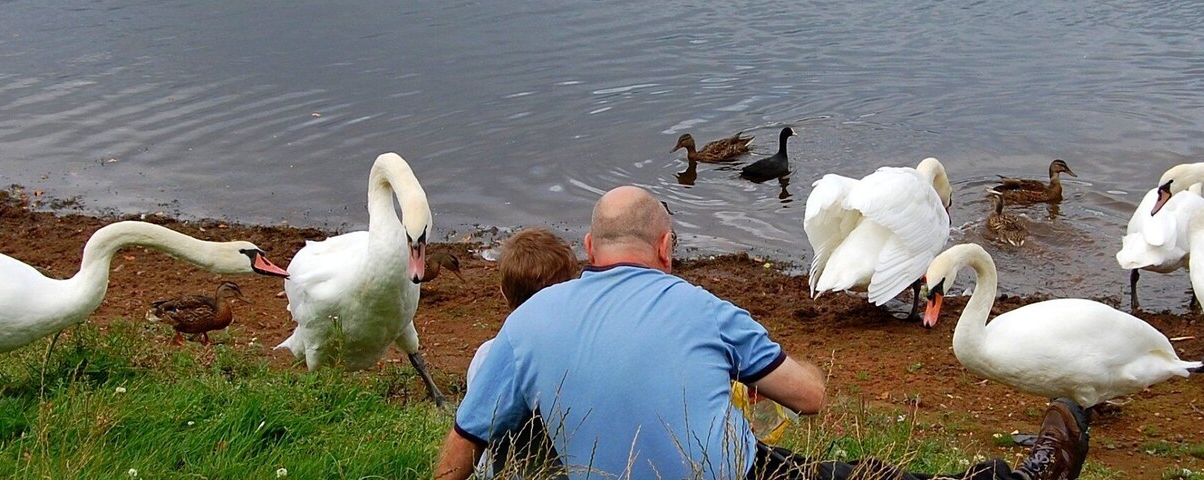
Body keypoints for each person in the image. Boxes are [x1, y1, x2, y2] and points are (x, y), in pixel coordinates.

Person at [435, 186, 1088, 480]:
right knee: (868, 476)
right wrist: (748, 374)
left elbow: (461, 448)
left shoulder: (526, 325)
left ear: (589, 247)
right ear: (666, 247)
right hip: (733, 474)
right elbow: (810, 398)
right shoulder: (704, 310)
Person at [470, 227, 580, 478]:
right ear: (571, 293)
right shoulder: (580, 355)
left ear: (504, 293)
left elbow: (478, 428)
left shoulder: (487, 356)